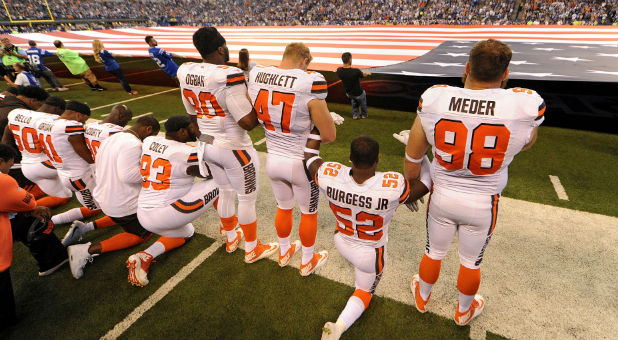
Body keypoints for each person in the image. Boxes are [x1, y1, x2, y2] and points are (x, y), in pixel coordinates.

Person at [404, 39, 544, 326]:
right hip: (483, 202)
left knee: (433, 251)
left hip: (442, 198)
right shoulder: (523, 103)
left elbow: (413, 155)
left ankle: (423, 297)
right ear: (505, 74)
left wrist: (412, 186)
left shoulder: (436, 97)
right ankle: (463, 310)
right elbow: (527, 141)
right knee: (471, 261)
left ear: (466, 68)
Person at [301, 135, 429, 340]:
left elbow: (309, 157)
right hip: (370, 254)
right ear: (377, 159)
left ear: (350, 156)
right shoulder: (392, 186)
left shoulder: (329, 173)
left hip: (341, 239)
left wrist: (316, 130)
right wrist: (418, 155)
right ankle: (339, 326)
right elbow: (426, 183)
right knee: (363, 291)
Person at [178, 26, 278, 263]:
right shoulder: (227, 75)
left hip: (208, 143)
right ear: (221, 48)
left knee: (224, 191)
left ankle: (232, 236)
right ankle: (253, 248)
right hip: (233, 147)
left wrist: (206, 140)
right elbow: (247, 122)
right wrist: (262, 100)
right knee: (246, 198)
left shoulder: (186, 70)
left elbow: (191, 113)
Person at [247, 42, 336, 275]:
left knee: (284, 207)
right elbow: (328, 136)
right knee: (308, 212)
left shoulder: (258, 74)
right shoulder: (310, 81)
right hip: (300, 162)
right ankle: (307, 260)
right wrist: (322, 122)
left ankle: (284, 251)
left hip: (273, 158)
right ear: (305, 60)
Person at [127, 115, 219, 287]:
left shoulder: (149, 141)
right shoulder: (185, 153)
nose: (195, 130)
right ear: (183, 132)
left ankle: (144, 256)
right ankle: (231, 229)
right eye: (193, 128)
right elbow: (211, 169)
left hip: (144, 212)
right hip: (165, 213)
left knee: (187, 232)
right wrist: (205, 137)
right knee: (222, 180)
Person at [68, 116, 160, 279]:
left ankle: (85, 227)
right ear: (148, 129)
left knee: (123, 217)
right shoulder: (134, 144)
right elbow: (129, 176)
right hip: (120, 202)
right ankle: (85, 251)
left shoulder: (113, 138)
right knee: (142, 234)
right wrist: (152, 174)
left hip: (105, 195)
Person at [0, 144, 67, 330]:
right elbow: (26, 202)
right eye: (8, 165)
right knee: (39, 222)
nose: (8, 169)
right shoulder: (3, 180)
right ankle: (52, 260)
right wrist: (34, 207)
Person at [34, 101, 116, 248]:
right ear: (78, 115)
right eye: (83, 120)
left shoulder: (44, 122)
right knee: (107, 207)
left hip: (65, 172)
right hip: (80, 176)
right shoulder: (70, 126)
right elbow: (81, 149)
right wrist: (96, 165)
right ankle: (78, 228)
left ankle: (52, 221)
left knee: (95, 206)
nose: (82, 124)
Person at [2, 96, 73, 209]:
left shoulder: (16, 113)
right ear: (57, 109)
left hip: (27, 166)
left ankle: (22, 206)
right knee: (86, 164)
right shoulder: (51, 120)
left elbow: (6, 140)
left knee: (64, 195)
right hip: (45, 164)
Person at [336, 52, 370, 120]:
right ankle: (364, 115)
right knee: (362, 100)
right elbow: (363, 75)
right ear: (350, 60)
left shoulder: (339, 70)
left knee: (354, 101)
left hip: (349, 93)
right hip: (358, 93)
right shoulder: (356, 71)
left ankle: (355, 115)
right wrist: (368, 73)